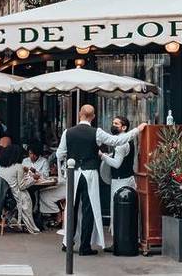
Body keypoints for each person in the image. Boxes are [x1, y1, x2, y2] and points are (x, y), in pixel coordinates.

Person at [56, 104, 146, 256]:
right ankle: (85, 247)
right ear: (93, 117)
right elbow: (117, 141)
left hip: (74, 173)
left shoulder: (67, 132)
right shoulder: (96, 132)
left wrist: (67, 165)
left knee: (72, 208)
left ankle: (68, 242)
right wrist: (137, 130)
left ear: (79, 114)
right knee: (89, 209)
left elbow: (59, 154)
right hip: (90, 172)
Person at [99, 115, 137, 252]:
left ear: (124, 127)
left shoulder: (121, 144)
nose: (113, 125)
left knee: (117, 211)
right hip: (126, 179)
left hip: (121, 180)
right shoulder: (123, 141)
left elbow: (116, 164)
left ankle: (118, 242)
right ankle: (122, 240)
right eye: (113, 123)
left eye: (116, 124)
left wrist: (102, 156)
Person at [0, 144, 41, 233]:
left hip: (2, 195)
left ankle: (13, 218)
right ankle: (29, 225)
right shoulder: (18, 167)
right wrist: (33, 179)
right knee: (28, 197)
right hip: (15, 195)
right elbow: (21, 186)